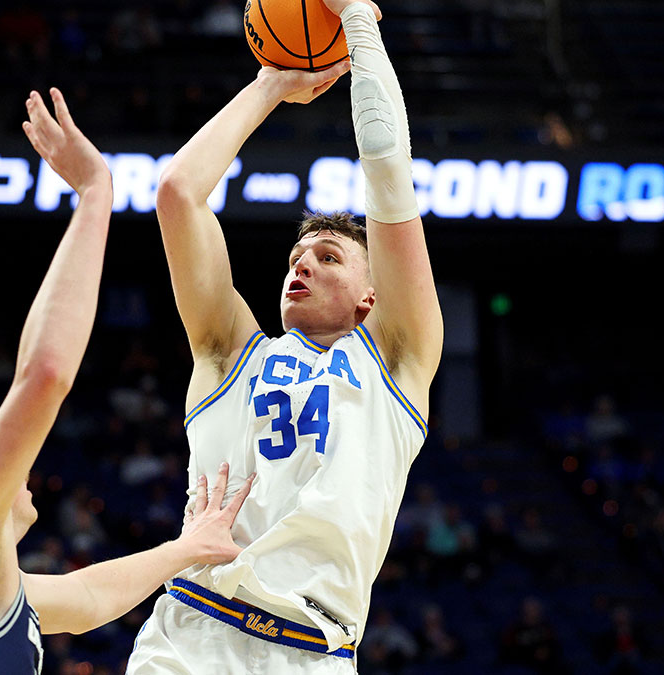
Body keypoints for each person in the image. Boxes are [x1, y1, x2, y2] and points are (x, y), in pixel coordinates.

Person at [0, 88, 254, 674]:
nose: (20, 460)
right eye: (2, 449)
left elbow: (88, 599)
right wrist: (95, 194)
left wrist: (186, 549)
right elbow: (44, 374)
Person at [125, 0, 444, 670]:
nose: (303, 262)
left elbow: (387, 168)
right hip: (189, 637)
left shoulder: (398, 360)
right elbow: (179, 192)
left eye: (328, 256)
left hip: (308, 648)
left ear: (371, 296)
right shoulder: (228, 355)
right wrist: (272, 81)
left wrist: (357, 20)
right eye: (298, 255)